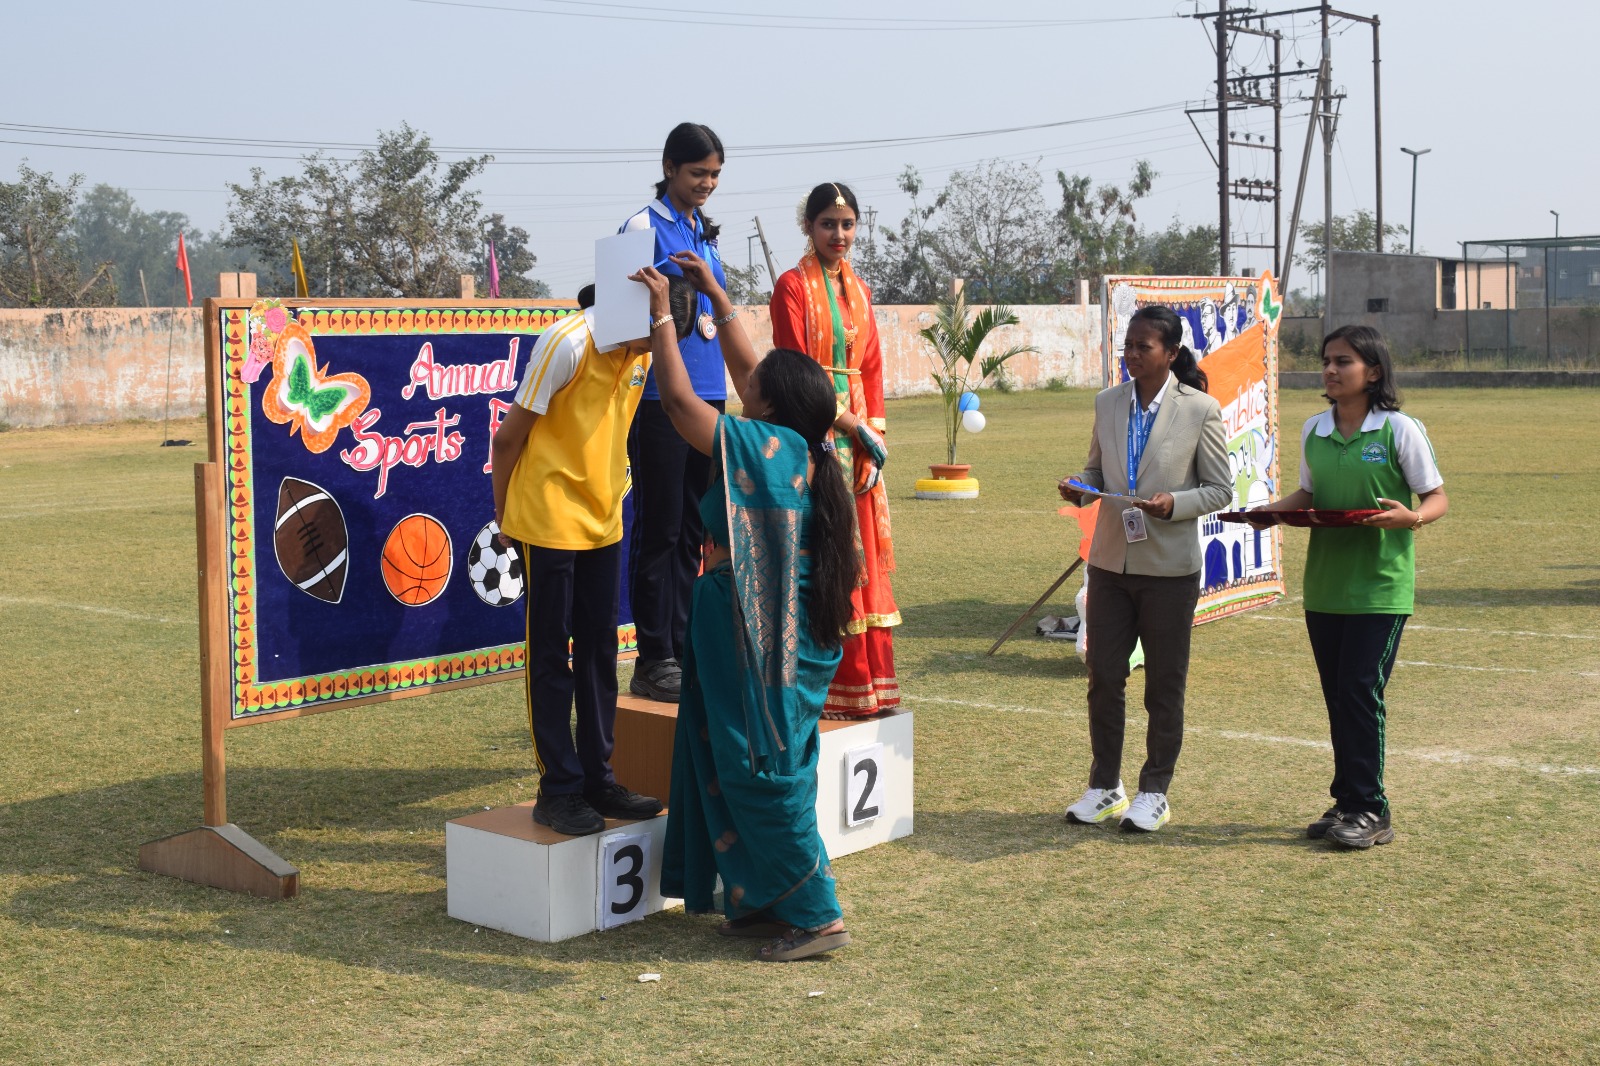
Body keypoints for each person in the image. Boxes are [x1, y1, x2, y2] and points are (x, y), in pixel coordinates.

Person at [637, 250, 859, 962]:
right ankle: (766, 900)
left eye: (754, 386)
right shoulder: (801, 445)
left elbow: (680, 406)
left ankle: (817, 915)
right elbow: (750, 370)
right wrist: (716, 293)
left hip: (757, 633)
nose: (745, 383)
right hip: (758, 628)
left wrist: (664, 317)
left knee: (757, 766)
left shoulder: (770, 448)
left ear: (770, 406)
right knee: (743, 757)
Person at [489, 283, 691, 836]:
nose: (658, 347)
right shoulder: (567, 342)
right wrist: (505, 518)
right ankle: (558, 788)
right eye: (656, 332)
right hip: (547, 516)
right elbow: (508, 439)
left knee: (601, 651)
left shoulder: (640, 351)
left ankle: (599, 778)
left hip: (603, 519)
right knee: (551, 653)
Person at [1248, 325, 1447, 849]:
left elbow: (1436, 498)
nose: (1330, 370)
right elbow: (1308, 494)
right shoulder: (1314, 429)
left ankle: (1370, 809)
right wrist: (1270, 512)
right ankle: (1346, 801)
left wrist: (1411, 518)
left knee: (1361, 692)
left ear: (1373, 371)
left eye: (1343, 361)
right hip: (1325, 587)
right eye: (1326, 361)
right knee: (1339, 696)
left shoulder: (1399, 429)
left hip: (1380, 587)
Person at [1057, 305, 1232, 833]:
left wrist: (1174, 504)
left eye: (1143, 346)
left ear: (1170, 353)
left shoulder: (1200, 409)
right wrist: (1080, 486)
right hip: (1110, 562)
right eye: (1127, 346)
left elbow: (1220, 489)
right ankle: (1105, 787)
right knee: (1103, 676)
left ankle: (1154, 792)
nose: (1131, 355)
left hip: (1169, 570)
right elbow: (1096, 468)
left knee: (1164, 686)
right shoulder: (1107, 402)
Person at [768, 181, 899, 719]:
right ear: (808, 226)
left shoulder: (860, 290)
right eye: (828, 224)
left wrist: (873, 439)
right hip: (813, 434)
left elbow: (872, 368)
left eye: (847, 225)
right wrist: (847, 426)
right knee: (827, 549)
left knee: (860, 551)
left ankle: (867, 685)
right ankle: (830, 685)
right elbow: (796, 372)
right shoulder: (791, 286)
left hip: (858, 436)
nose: (838, 234)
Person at [618, 122, 730, 704]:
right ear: (668, 168)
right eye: (697, 173)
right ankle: (653, 657)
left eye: (714, 174)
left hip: (709, 393)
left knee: (694, 530)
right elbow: (619, 323)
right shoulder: (642, 226)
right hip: (659, 398)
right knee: (659, 528)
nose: (706, 183)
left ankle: (683, 651)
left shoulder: (703, 232)